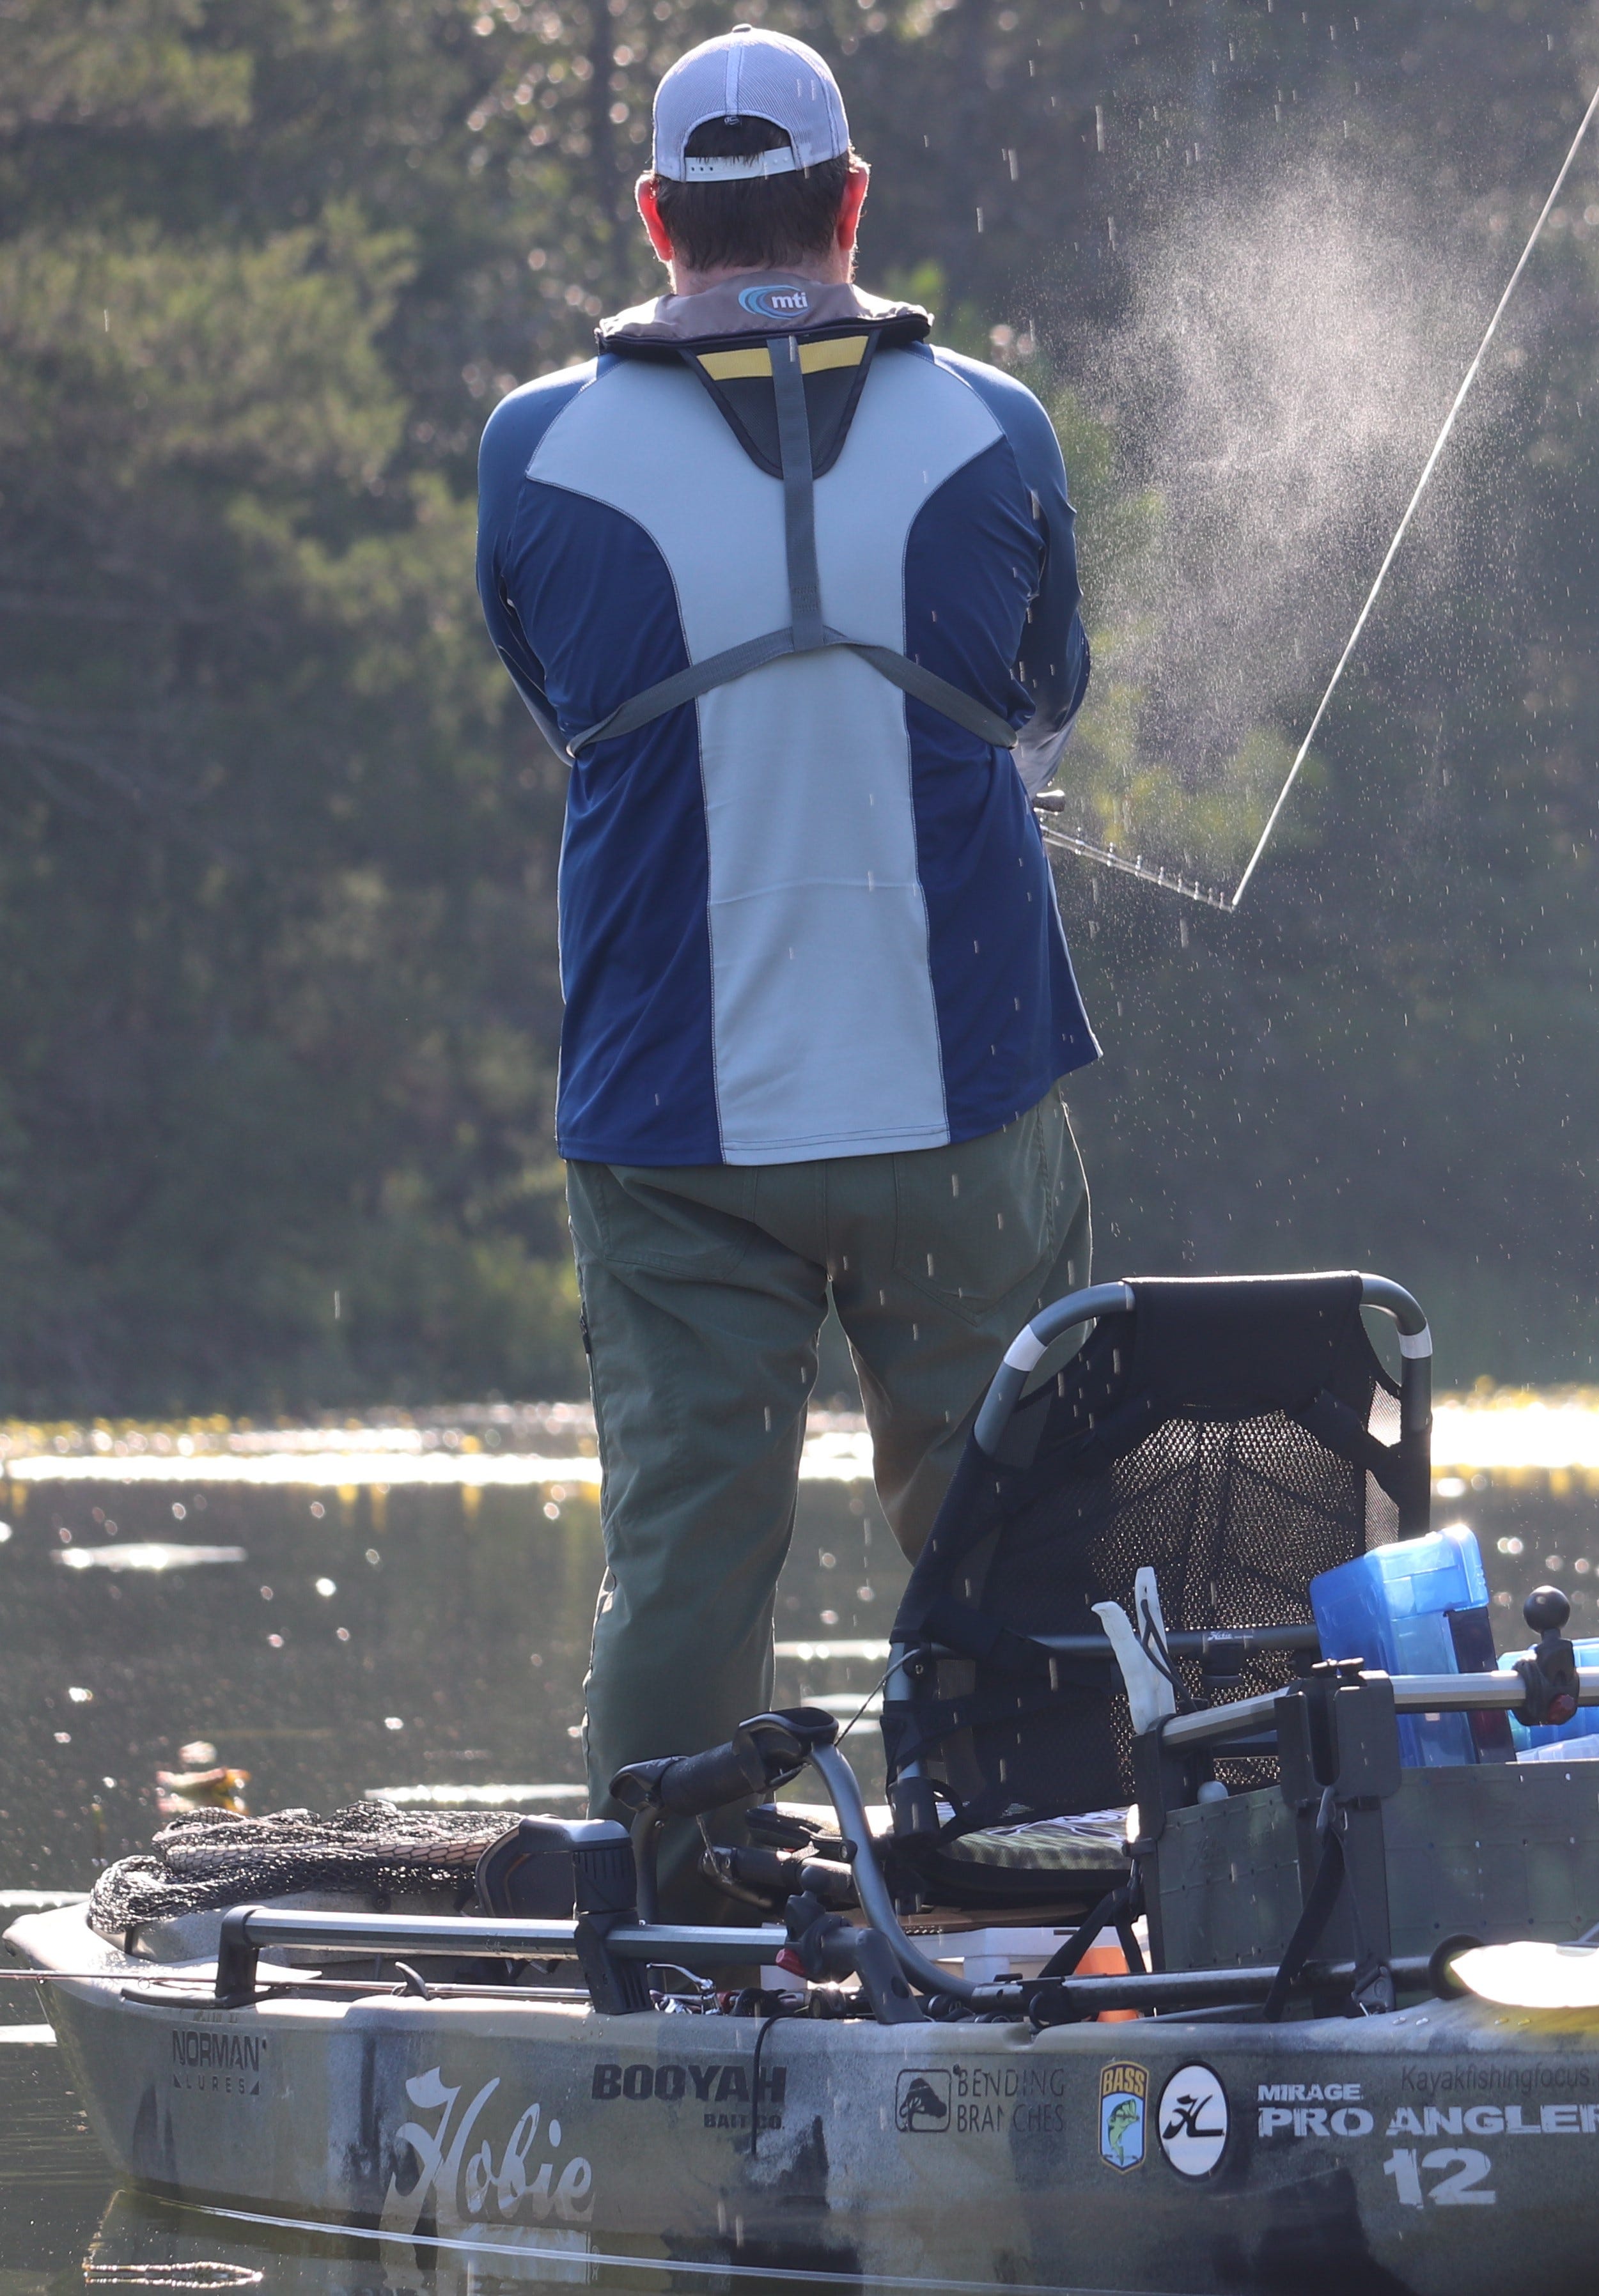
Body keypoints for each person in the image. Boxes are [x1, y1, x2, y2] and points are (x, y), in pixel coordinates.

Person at [473, 24, 1100, 1872]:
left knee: (686, 1544)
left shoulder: (534, 446)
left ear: (655, 214)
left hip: (677, 1130)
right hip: (963, 1106)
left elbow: (558, 694)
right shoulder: (998, 424)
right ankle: (1047, 1886)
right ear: (852, 204)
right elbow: (1048, 688)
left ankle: (673, 1921)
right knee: (1016, 1525)